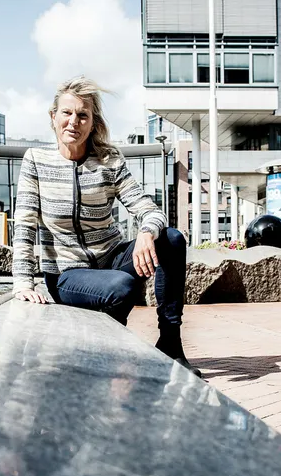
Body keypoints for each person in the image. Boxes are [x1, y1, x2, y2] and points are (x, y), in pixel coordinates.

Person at [12, 76, 201, 378]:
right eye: (67, 113)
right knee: (120, 286)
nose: (74, 121)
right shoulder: (36, 160)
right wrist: (23, 283)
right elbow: (24, 225)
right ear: (53, 116)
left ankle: (170, 343)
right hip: (67, 273)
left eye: (82, 115)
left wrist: (147, 232)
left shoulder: (109, 161)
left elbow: (149, 209)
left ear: (92, 123)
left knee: (173, 239)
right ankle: (110, 349)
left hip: (111, 257)